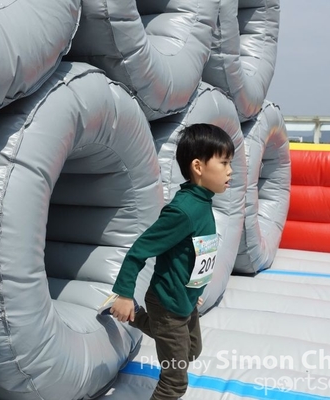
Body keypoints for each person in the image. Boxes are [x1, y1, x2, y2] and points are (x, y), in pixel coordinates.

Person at [97, 123, 234, 400]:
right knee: (174, 383)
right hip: (168, 304)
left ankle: (136, 315)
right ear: (198, 167)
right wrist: (124, 293)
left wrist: (196, 289)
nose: (230, 170)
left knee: (192, 350)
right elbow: (139, 251)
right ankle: (124, 306)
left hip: (185, 299)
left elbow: (197, 254)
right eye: (224, 163)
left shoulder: (203, 201)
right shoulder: (183, 212)